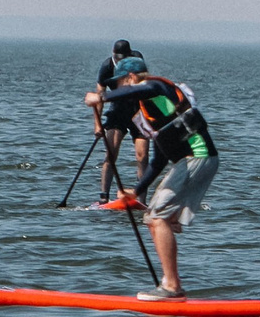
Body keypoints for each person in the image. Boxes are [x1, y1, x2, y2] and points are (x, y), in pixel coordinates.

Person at [83, 69, 220, 298]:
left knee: (158, 217)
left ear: (132, 76)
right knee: (152, 219)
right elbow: (158, 161)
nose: (119, 89)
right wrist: (135, 192)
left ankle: (172, 287)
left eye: (120, 83)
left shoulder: (156, 88)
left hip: (197, 157)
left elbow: (145, 88)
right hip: (189, 162)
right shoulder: (154, 113)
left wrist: (102, 98)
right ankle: (169, 282)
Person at [92, 40, 150, 201]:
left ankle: (141, 200)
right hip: (118, 112)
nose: (120, 62)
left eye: (123, 59)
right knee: (111, 153)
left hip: (138, 112)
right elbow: (99, 97)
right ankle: (104, 197)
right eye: (117, 59)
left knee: (142, 156)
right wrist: (97, 125)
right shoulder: (106, 67)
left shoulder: (137, 59)